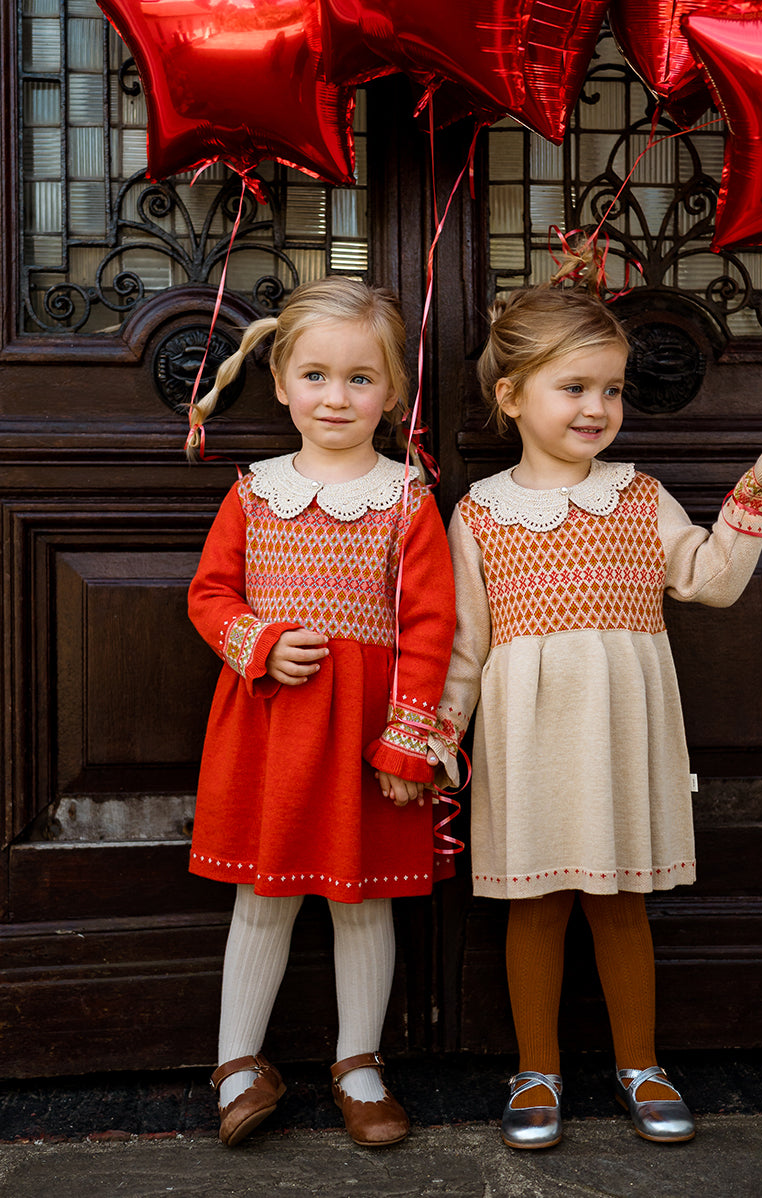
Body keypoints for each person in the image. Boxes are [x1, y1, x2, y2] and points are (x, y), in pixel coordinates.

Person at [428, 267, 762, 1150]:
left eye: (611, 389)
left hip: (621, 733)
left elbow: (711, 581)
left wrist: (760, 489)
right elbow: (464, 646)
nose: (597, 407)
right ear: (512, 396)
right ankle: (536, 1069)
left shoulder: (640, 496)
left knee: (621, 902)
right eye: (574, 387)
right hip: (528, 741)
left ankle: (641, 1063)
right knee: (536, 904)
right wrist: (433, 740)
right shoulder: (480, 513)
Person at [186, 277, 456, 1149]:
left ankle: (359, 1065)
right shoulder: (253, 492)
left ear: (393, 393)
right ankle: (237, 1065)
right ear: (280, 384)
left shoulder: (407, 498)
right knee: (261, 896)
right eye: (315, 376)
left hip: (365, 737)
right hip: (270, 729)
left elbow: (431, 626)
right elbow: (210, 595)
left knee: (362, 900)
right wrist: (259, 644)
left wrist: (408, 742)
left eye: (360, 379)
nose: (336, 397)